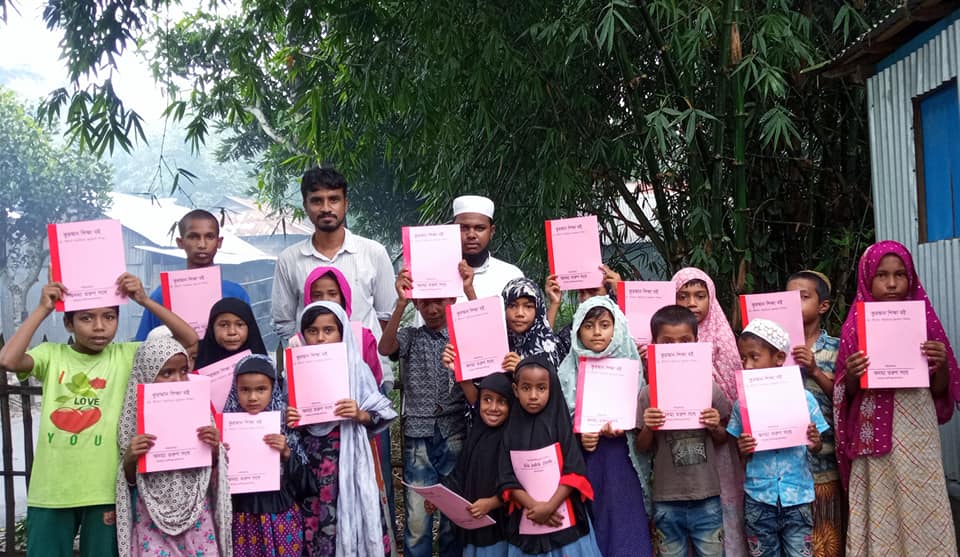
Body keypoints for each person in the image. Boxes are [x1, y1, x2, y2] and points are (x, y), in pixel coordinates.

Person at [0, 274, 198, 557]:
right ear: (68, 323)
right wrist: (43, 308)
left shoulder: (126, 355)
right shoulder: (51, 355)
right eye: (86, 318)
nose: (99, 326)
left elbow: (188, 340)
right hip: (51, 490)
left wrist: (143, 300)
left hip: (106, 491)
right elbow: (7, 359)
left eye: (109, 317)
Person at [834, 241, 960, 556]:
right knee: (881, 502)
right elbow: (845, 394)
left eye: (900, 274)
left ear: (911, 277)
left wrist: (942, 364)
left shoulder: (924, 322)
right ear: (867, 278)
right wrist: (853, 375)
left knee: (923, 495)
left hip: (917, 428)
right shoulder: (854, 328)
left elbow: (939, 391)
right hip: (873, 429)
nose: (892, 283)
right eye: (882, 275)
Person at [271, 166, 397, 390]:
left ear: (346, 204)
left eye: (334, 199)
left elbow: (385, 316)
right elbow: (285, 323)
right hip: (313, 379)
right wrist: (313, 352)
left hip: (368, 374)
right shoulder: (289, 260)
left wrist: (360, 348)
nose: (326, 208)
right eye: (317, 201)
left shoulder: (373, 253)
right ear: (305, 206)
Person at [289, 301, 398, 557]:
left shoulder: (356, 368)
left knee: (349, 520)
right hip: (309, 467)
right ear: (303, 334)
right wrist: (289, 418)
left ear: (342, 333)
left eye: (328, 330)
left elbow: (381, 413)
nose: (320, 338)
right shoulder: (294, 372)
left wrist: (360, 414)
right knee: (314, 527)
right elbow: (284, 420)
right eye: (312, 331)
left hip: (347, 463)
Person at [379, 269, 469, 557]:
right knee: (417, 517)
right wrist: (400, 304)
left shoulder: (462, 336)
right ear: (417, 303)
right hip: (418, 434)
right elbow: (385, 347)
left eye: (438, 301)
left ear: (451, 300)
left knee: (453, 514)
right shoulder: (411, 336)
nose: (432, 309)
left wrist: (469, 288)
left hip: (454, 430)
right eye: (425, 302)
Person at [115, 336, 232, 557]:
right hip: (151, 518)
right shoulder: (133, 420)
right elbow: (129, 482)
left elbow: (215, 471)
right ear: (146, 374)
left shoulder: (199, 412)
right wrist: (130, 458)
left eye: (183, 371)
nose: (178, 380)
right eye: (167, 373)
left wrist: (215, 449)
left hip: (198, 514)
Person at [557, 296, 653, 557]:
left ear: (616, 327)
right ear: (577, 331)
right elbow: (558, 424)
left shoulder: (630, 362)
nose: (597, 332)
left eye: (604, 325)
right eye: (588, 326)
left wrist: (627, 425)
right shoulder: (567, 370)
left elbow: (642, 414)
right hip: (587, 460)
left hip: (623, 457)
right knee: (594, 521)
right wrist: (580, 436)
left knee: (625, 520)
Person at [728, 319, 829, 557]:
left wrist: (814, 441)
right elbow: (739, 452)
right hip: (759, 498)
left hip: (797, 498)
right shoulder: (742, 404)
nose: (748, 365)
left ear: (779, 358)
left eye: (755, 357)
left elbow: (816, 446)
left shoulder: (803, 399)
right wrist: (743, 448)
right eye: (743, 359)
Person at [636, 305, 730, 557]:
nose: (676, 348)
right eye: (667, 342)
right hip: (666, 499)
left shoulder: (709, 388)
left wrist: (715, 426)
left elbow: (724, 439)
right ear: (654, 346)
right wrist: (649, 426)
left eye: (685, 341)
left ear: (697, 343)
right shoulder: (648, 393)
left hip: (706, 497)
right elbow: (642, 447)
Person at [671, 267, 746, 556]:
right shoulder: (664, 339)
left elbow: (734, 391)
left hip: (719, 439)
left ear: (711, 298)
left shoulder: (723, 338)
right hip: (679, 442)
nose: (692, 303)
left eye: (700, 296)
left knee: (723, 501)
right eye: (683, 296)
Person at [498, 354, 602, 557]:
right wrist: (535, 507)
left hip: (565, 523)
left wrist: (550, 507)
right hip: (528, 520)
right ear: (515, 390)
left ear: (551, 389)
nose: (533, 395)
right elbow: (505, 477)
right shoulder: (510, 432)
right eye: (526, 388)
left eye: (541, 388)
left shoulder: (561, 427)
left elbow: (574, 470)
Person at [222, 354, 316, 557]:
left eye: (261, 389)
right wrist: (220, 455)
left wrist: (286, 453)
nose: (252, 397)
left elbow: (306, 485)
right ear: (235, 389)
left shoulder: (286, 424)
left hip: (280, 513)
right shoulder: (226, 427)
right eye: (245, 390)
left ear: (273, 389)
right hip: (242, 517)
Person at [785, 270, 844, 557]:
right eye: (788, 298)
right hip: (784, 469)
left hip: (824, 465)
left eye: (803, 297)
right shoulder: (772, 349)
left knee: (825, 541)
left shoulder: (836, 348)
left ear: (823, 305)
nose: (794, 303)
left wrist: (815, 370)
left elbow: (844, 401)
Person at [428, 373, 513, 557]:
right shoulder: (476, 435)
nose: (493, 408)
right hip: (473, 528)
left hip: (498, 530)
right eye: (487, 400)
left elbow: (518, 483)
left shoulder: (512, 440)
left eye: (501, 402)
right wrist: (438, 498)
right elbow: (461, 474)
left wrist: (492, 503)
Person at [134, 209, 251, 341]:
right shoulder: (161, 296)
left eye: (209, 237)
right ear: (180, 242)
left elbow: (250, 342)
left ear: (219, 242)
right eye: (193, 237)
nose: (202, 245)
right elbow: (143, 345)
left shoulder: (236, 294)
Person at [452, 195, 523, 301]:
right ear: (452, 229)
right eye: (464, 228)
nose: (471, 235)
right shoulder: (437, 276)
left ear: (492, 231)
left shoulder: (511, 276)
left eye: (479, 228)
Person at [502, 278, 564, 370]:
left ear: (538, 311)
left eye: (528, 306)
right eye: (513, 306)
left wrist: (523, 369)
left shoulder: (546, 349)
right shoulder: (494, 342)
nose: (520, 313)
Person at [194, 297, 268, 369]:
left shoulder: (261, 362)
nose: (232, 332)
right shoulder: (195, 358)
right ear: (211, 328)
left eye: (239, 325)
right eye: (223, 325)